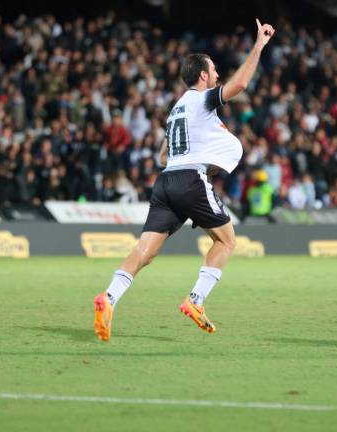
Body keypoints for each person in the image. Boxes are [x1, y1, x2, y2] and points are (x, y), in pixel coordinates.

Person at [93, 19, 276, 342]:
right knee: (226, 241)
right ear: (203, 75)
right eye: (215, 70)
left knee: (145, 251)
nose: (218, 74)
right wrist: (259, 45)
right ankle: (196, 301)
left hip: (166, 183)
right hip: (191, 180)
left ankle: (108, 297)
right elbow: (241, 85)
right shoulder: (201, 99)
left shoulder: (176, 109)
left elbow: (163, 156)